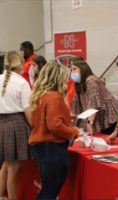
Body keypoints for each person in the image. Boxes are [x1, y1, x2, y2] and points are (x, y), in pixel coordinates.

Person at [28, 60, 79, 200]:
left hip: (41, 146)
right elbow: (54, 125)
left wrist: (66, 116)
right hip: (52, 147)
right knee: (50, 191)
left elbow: (40, 120)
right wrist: (74, 131)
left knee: (48, 189)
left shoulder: (39, 95)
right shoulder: (54, 96)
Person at [0, 51, 31, 200]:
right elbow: (28, 110)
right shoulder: (22, 83)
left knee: (6, 165)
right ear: (20, 64)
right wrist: (35, 127)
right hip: (17, 124)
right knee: (14, 168)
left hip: (1, 124)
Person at [70, 59, 118, 135]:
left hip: (109, 118)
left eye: (74, 69)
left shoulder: (91, 80)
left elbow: (93, 104)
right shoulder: (78, 83)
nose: (72, 72)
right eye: (71, 70)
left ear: (82, 69)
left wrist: (89, 122)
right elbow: (76, 104)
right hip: (97, 117)